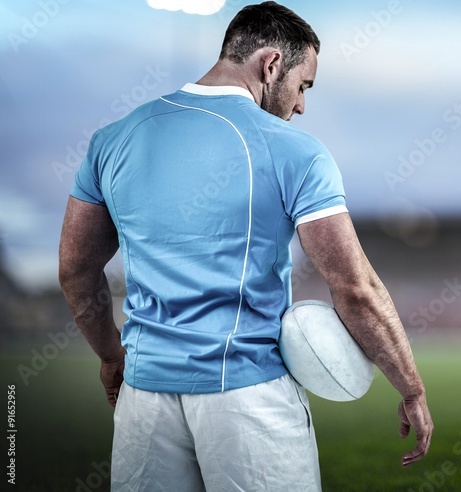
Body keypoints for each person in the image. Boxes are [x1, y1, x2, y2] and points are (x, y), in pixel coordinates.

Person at [57, 2, 432, 490]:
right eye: (304, 86)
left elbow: (75, 272)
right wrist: (412, 388)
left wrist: (111, 356)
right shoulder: (296, 151)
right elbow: (355, 289)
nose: (301, 105)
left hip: (142, 401)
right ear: (271, 64)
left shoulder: (111, 141)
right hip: (249, 399)